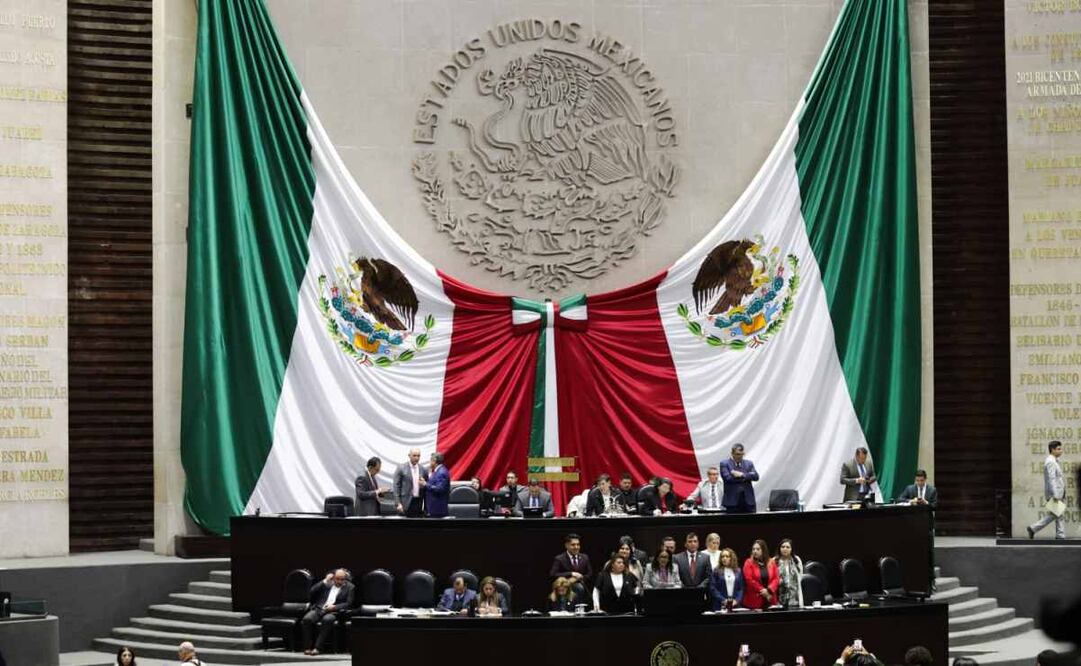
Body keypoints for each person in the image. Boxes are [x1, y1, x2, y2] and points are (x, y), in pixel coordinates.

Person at [301, 569, 355, 655]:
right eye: (337, 579)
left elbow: (349, 603)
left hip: (333, 612)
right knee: (307, 619)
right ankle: (307, 647)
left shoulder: (350, 587)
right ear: (333, 577)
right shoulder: (327, 583)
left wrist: (334, 607)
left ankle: (317, 648)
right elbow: (312, 591)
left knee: (327, 620)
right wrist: (325, 580)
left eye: (342, 579)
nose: (340, 581)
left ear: (345, 579)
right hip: (320, 608)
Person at [1028, 441, 1066, 540]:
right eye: (1058, 449)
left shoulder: (1054, 461)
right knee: (1056, 514)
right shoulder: (1050, 462)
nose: (1061, 451)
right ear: (1052, 450)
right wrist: (1055, 494)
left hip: (1058, 493)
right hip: (1055, 493)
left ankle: (1060, 535)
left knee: (1058, 514)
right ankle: (1033, 528)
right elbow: (1051, 479)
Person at [720, 443, 760, 513]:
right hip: (732, 502)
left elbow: (756, 477)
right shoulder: (724, 463)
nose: (740, 456)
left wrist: (742, 474)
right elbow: (728, 478)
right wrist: (748, 476)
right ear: (732, 453)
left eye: (742, 454)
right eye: (737, 454)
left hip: (748, 502)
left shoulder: (749, 463)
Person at [742, 539, 779, 610]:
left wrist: (769, 590)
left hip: (770, 598)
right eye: (753, 549)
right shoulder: (748, 562)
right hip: (754, 599)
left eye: (758, 549)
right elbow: (749, 579)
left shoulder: (771, 562)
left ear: (763, 550)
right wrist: (763, 590)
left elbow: (776, 578)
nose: (755, 551)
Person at [393, 448, 428, 516]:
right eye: (414, 455)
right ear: (409, 455)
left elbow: (426, 489)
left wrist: (426, 506)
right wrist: (398, 503)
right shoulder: (401, 468)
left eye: (418, 456)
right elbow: (396, 487)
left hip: (418, 502)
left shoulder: (423, 469)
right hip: (405, 502)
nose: (416, 458)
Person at [773, 538, 804, 608]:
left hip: (795, 598)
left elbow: (800, 576)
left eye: (788, 547)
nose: (785, 549)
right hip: (778, 597)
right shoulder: (774, 561)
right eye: (783, 547)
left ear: (791, 549)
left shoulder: (797, 560)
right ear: (779, 548)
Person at [425, 452, 451, 517]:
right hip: (434, 508)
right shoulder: (437, 471)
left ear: (434, 461)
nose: (430, 462)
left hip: (438, 509)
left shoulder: (441, 472)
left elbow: (439, 489)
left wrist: (426, 484)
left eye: (430, 460)